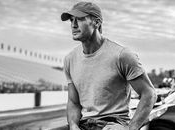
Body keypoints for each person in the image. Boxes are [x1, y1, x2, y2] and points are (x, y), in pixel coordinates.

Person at [61, 2, 156, 130]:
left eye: (80, 19)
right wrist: (73, 125)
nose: (73, 25)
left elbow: (149, 93)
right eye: (71, 20)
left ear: (96, 22)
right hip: (85, 123)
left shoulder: (122, 55)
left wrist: (131, 128)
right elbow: (73, 102)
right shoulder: (70, 59)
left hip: (113, 123)